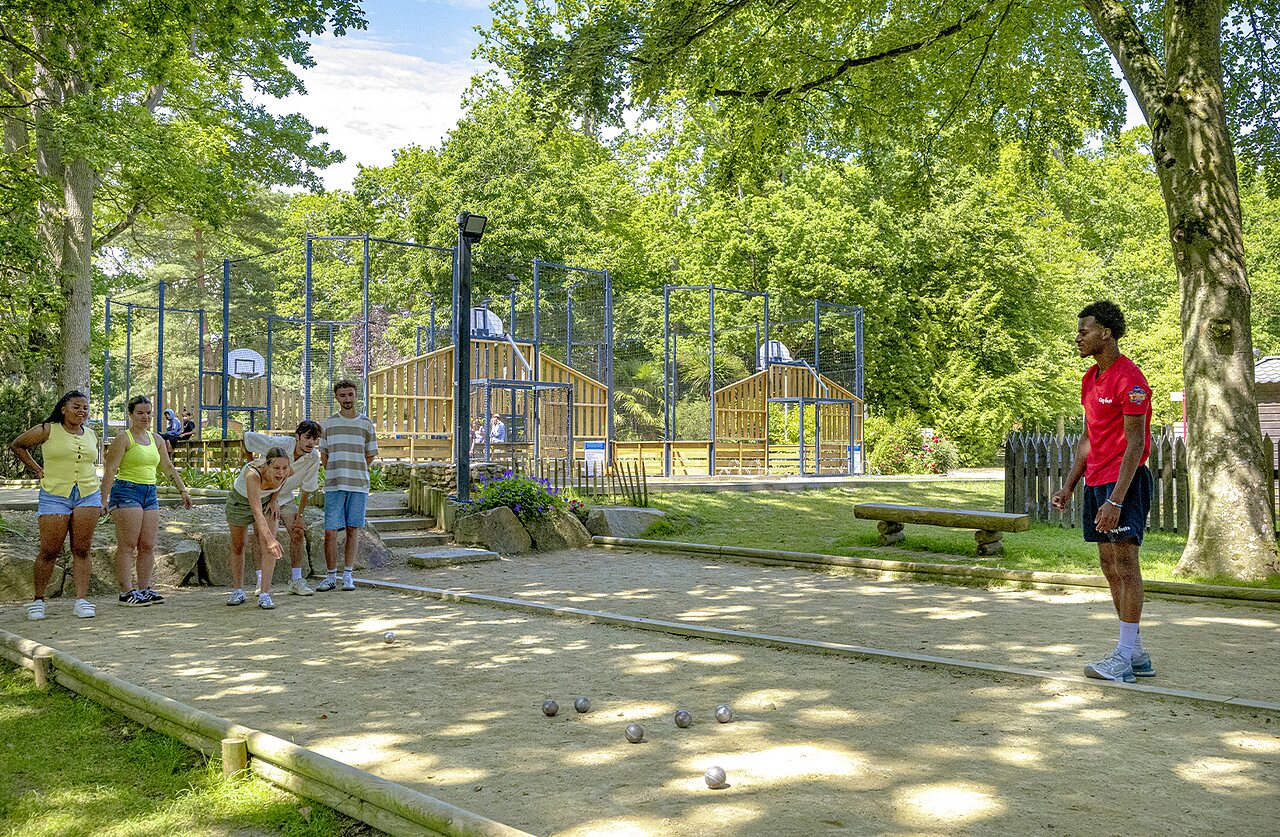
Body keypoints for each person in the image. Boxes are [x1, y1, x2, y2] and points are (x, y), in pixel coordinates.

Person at [1051, 301, 1155, 683]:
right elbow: (1088, 437)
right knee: (1109, 566)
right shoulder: (1090, 378)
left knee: (1126, 565)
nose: (1078, 337)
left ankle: (1125, 657)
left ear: (1106, 333)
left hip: (1122, 482)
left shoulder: (1132, 381)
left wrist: (1116, 499)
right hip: (1096, 481)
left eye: (1084, 330)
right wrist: (1069, 484)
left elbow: (1135, 443)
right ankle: (1138, 653)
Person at [9, 391, 102, 620]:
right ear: (63, 408)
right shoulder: (48, 429)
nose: (81, 411)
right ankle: (38, 600)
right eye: (76, 407)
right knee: (49, 550)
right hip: (54, 494)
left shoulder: (91, 434)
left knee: (82, 548)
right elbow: (18, 445)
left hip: (88, 493)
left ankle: (81, 599)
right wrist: (36, 468)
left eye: (85, 408)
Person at [100, 395, 192, 607]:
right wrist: (103, 500)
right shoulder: (124, 438)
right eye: (140, 413)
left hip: (149, 493)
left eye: (149, 413)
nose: (145, 417)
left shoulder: (157, 439)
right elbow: (111, 469)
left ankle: (144, 588)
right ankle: (126, 592)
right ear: (130, 414)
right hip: (126, 491)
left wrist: (182, 490)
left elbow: (167, 466)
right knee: (128, 544)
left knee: (148, 544)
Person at [242, 420, 322, 596]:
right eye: (308, 437)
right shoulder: (280, 444)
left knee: (297, 532)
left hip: (285, 498)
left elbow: (307, 489)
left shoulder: (313, 458)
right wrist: (252, 468)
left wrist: (300, 517)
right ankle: (260, 579)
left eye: (315, 439)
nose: (311, 442)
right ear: (297, 436)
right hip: (264, 495)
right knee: (260, 534)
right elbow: (247, 438)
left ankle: (296, 579)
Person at [318, 380, 378, 592]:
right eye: (343, 395)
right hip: (334, 485)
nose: (347, 399)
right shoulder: (329, 424)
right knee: (330, 532)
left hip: (358, 485)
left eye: (350, 395)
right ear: (337, 397)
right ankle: (331, 576)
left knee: (353, 529)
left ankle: (348, 576)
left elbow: (370, 455)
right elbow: (323, 454)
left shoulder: (366, 424)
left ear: (355, 395)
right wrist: (337, 470)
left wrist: (355, 469)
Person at [224, 447, 290, 609]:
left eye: (284, 468)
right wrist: (270, 539)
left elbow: (284, 480)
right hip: (240, 502)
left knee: (268, 549)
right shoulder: (252, 475)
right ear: (267, 466)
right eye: (276, 468)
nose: (281, 472)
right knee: (238, 545)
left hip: (266, 501)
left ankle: (265, 593)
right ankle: (238, 590)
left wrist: (274, 500)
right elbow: (256, 512)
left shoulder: (286, 471)